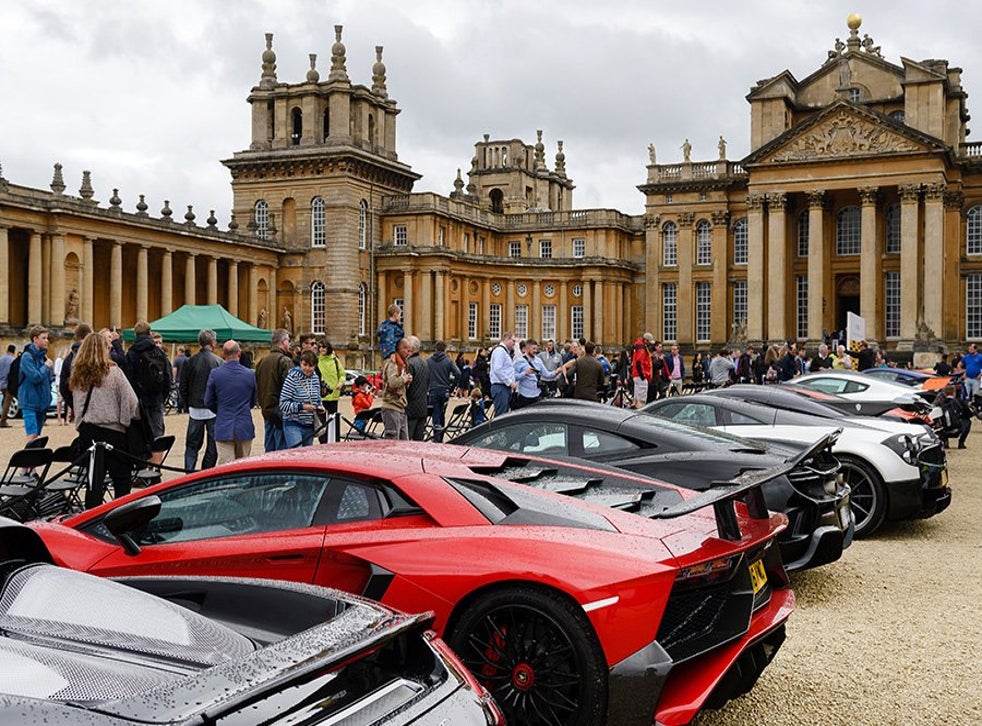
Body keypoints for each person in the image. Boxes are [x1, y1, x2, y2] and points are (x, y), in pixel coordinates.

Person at [69, 332, 142, 508]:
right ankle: (121, 521)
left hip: (89, 432)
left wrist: (81, 425)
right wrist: (124, 421)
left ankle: (92, 521)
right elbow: (132, 404)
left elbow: (77, 406)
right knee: (122, 482)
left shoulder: (78, 375)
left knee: (94, 483)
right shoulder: (115, 373)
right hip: (114, 433)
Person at [124, 320, 172, 461]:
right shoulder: (158, 352)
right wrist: (162, 397)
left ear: (135, 334)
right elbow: (167, 378)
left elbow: (128, 379)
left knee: (140, 436)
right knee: (157, 435)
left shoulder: (131, 353)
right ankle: (156, 471)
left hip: (138, 401)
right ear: (150, 334)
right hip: (156, 399)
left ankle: (143, 471)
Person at [205, 340, 257, 464]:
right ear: (239, 353)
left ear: (223, 354)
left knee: (225, 465)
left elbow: (208, 401)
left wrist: (221, 410)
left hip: (224, 423)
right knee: (243, 464)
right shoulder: (250, 374)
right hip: (244, 424)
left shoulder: (215, 374)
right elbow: (253, 400)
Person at [181, 329, 222, 472]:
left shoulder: (190, 361)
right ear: (212, 343)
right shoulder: (218, 361)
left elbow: (183, 386)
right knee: (213, 445)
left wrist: (186, 404)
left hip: (195, 408)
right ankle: (206, 471)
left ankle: (189, 471)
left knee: (192, 444)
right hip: (213, 409)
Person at [255, 328, 293, 453]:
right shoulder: (285, 361)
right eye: (288, 340)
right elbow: (291, 389)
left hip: (267, 412)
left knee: (269, 451)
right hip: (281, 414)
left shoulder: (262, 361)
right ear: (283, 342)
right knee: (281, 453)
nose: (290, 344)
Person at [18, 325, 55, 444]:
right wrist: (46, 366)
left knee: (37, 435)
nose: (47, 341)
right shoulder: (26, 357)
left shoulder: (44, 356)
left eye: (47, 338)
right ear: (35, 339)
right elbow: (35, 377)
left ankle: (32, 461)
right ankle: (26, 461)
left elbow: (48, 380)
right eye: (43, 338)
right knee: (32, 434)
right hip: (29, 401)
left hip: (41, 402)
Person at [279, 349, 323, 447]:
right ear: (300, 363)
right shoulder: (292, 378)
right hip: (293, 423)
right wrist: (301, 407)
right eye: (305, 365)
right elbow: (283, 404)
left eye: (311, 366)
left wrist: (319, 407)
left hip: (309, 424)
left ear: (315, 366)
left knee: (306, 458)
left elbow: (317, 399)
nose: (307, 368)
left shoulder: (315, 379)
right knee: (296, 455)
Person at [59, 323, 92, 425]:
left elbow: (63, 387)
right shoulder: (94, 356)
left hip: (79, 405)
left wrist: (74, 405)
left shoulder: (69, 358)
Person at [380, 338, 413, 440]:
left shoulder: (402, 364)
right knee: (392, 442)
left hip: (400, 407)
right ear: (400, 348)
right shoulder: (393, 363)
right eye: (407, 350)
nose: (409, 353)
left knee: (404, 443)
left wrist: (407, 382)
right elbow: (393, 382)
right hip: (392, 407)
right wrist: (405, 378)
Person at [427, 340, 460, 442]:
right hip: (444, 390)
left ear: (435, 349)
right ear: (445, 350)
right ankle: (439, 437)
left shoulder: (428, 361)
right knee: (441, 413)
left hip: (432, 390)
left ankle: (436, 438)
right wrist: (451, 387)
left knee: (435, 414)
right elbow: (458, 373)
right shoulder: (448, 361)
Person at [513, 339, 558, 408]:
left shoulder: (538, 361)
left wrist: (556, 371)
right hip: (524, 395)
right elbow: (513, 377)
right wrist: (525, 373)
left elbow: (546, 374)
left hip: (537, 394)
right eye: (533, 349)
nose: (535, 351)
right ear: (527, 349)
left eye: (536, 349)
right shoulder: (519, 361)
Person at [405, 336, 430, 441]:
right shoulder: (424, 362)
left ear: (410, 349)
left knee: (407, 440)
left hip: (411, 408)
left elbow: (407, 386)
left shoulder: (409, 364)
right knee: (418, 442)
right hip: (423, 406)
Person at [489, 332, 518, 417]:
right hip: (500, 387)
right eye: (513, 341)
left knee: (504, 416)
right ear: (507, 339)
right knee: (500, 417)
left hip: (504, 388)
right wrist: (510, 382)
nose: (514, 343)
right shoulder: (500, 351)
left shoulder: (504, 352)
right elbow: (497, 369)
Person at [631, 332, 654, 408]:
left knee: (637, 396)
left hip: (637, 374)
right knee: (641, 398)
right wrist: (643, 376)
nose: (650, 344)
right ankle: (640, 409)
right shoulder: (641, 348)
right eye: (649, 342)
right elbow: (639, 362)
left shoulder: (639, 346)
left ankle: (635, 405)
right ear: (646, 340)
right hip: (640, 375)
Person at [0, 344, 16, 428]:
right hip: (8, 384)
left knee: (4, 400)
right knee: (7, 402)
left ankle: (2, 417)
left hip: (1, 383)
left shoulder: (1, 359)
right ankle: (3, 421)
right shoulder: (13, 360)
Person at [172, 346, 189, 413]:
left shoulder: (177, 360)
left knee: (179, 395)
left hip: (179, 380)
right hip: (186, 380)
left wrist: (174, 378)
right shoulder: (188, 359)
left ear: (179, 351)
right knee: (185, 394)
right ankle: (185, 408)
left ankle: (179, 409)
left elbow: (174, 370)